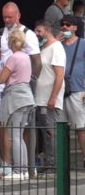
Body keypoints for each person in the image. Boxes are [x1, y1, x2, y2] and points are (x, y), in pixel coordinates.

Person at [0, 2, 41, 170]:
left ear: (18, 15)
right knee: (4, 126)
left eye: (10, 16)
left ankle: (24, 165)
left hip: (18, 84)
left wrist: (30, 79)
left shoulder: (28, 34)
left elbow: (37, 61)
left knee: (21, 129)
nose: (7, 20)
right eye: (4, 17)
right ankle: (8, 163)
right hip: (4, 87)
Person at [0, 29, 35, 181]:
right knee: (19, 135)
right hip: (27, 96)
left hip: (15, 96)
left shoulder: (13, 57)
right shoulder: (26, 57)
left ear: (11, 42)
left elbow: (2, 79)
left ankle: (18, 170)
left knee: (14, 135)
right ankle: (24, 169)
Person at [31, 20, 65, 171]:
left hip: (48, 98)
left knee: (51, 131)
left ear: (47, 30)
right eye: (35, 31)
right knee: (45, 131)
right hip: (40, 97)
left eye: (39, 31)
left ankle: (54, 163)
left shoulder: (56, 47)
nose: (37, 34)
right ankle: (49, 161)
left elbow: (59, 75)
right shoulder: (42, 47)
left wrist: (53, 97)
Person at [60, 15, 85, 168]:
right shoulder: (58, 45)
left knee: (81, 127)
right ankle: (63, 162)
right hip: (60, 92)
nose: (64, 27)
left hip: (78, 90)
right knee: (61, 128)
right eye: (62, 24)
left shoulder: (83, 44)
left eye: (68, 25)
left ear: (75, 27)